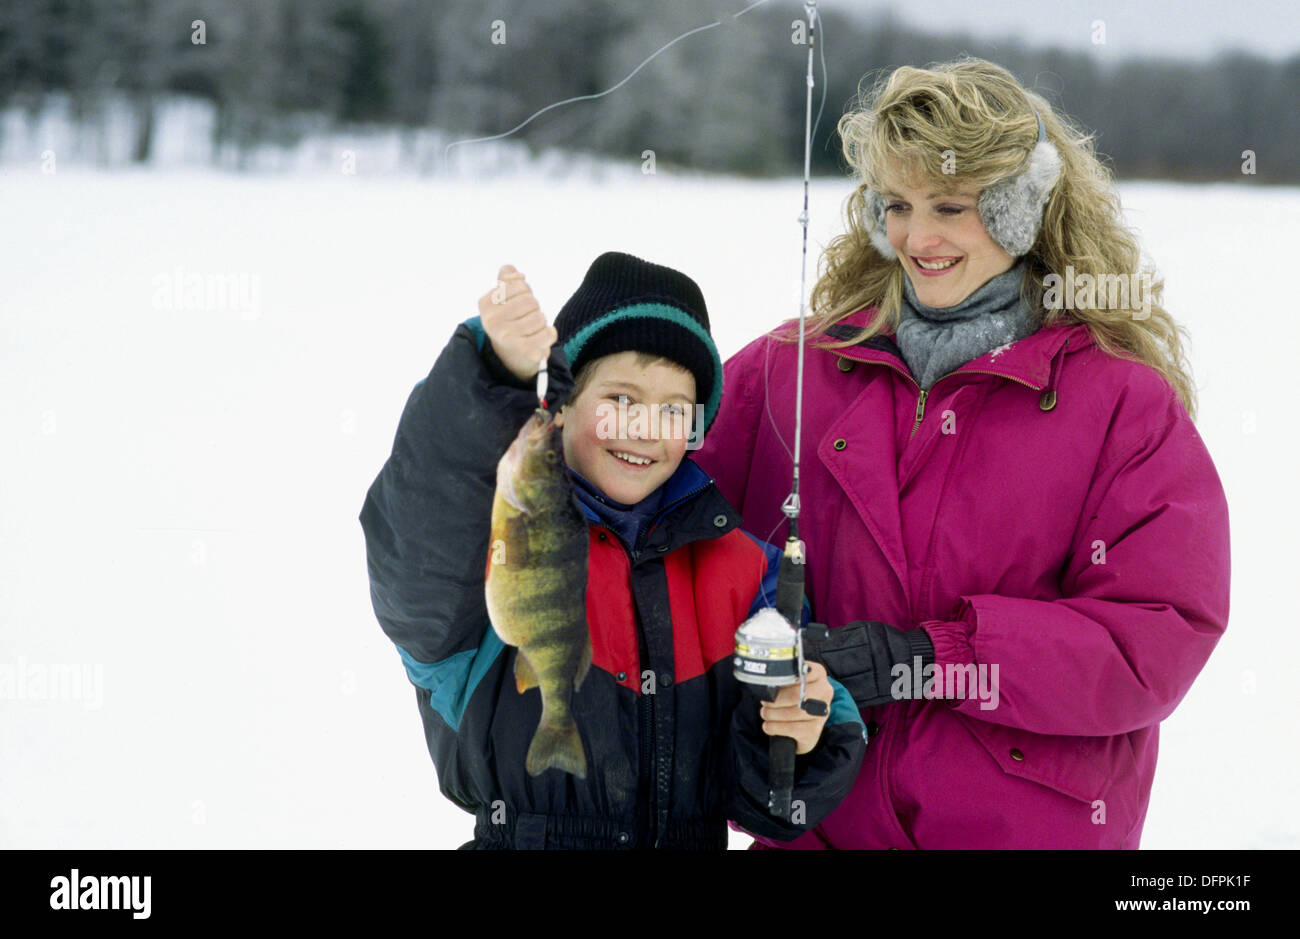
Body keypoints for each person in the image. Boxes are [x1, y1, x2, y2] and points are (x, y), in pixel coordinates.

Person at [693, 58, 1230, 849]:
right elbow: (646, 500)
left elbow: (1156, 634)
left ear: (1021, 210)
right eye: (899, 206)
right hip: (822, 831)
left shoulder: (1122, 404)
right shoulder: (788, 373)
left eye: (952, 205)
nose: (919, 237)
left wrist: (930, 656)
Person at [359, 251, 867, 849]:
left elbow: (766, 799)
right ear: (564, 401)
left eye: (674, 409)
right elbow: (420, 528)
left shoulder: (747, 572)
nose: (646, 428)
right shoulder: (492, 539)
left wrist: (803, 731)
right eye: (621, 399)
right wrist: (491, 375)